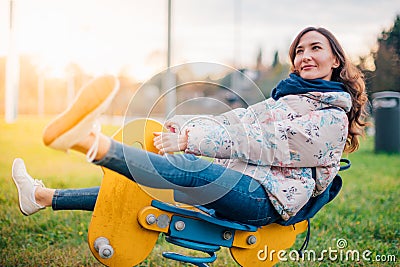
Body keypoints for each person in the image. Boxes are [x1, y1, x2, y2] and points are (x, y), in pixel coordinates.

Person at [12, 27, 369, 226]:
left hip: (268, 199)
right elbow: (235, 121)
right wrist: (181, 125)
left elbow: (264, 142)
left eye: (315, 48)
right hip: (244, 183)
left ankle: (89, 142)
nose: (305, 56)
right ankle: (42, 197)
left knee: (194, 169)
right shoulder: (283, 100)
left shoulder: (332, 116)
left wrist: (190, 140)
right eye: (299, 50)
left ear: (335, 59)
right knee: (146, 189)